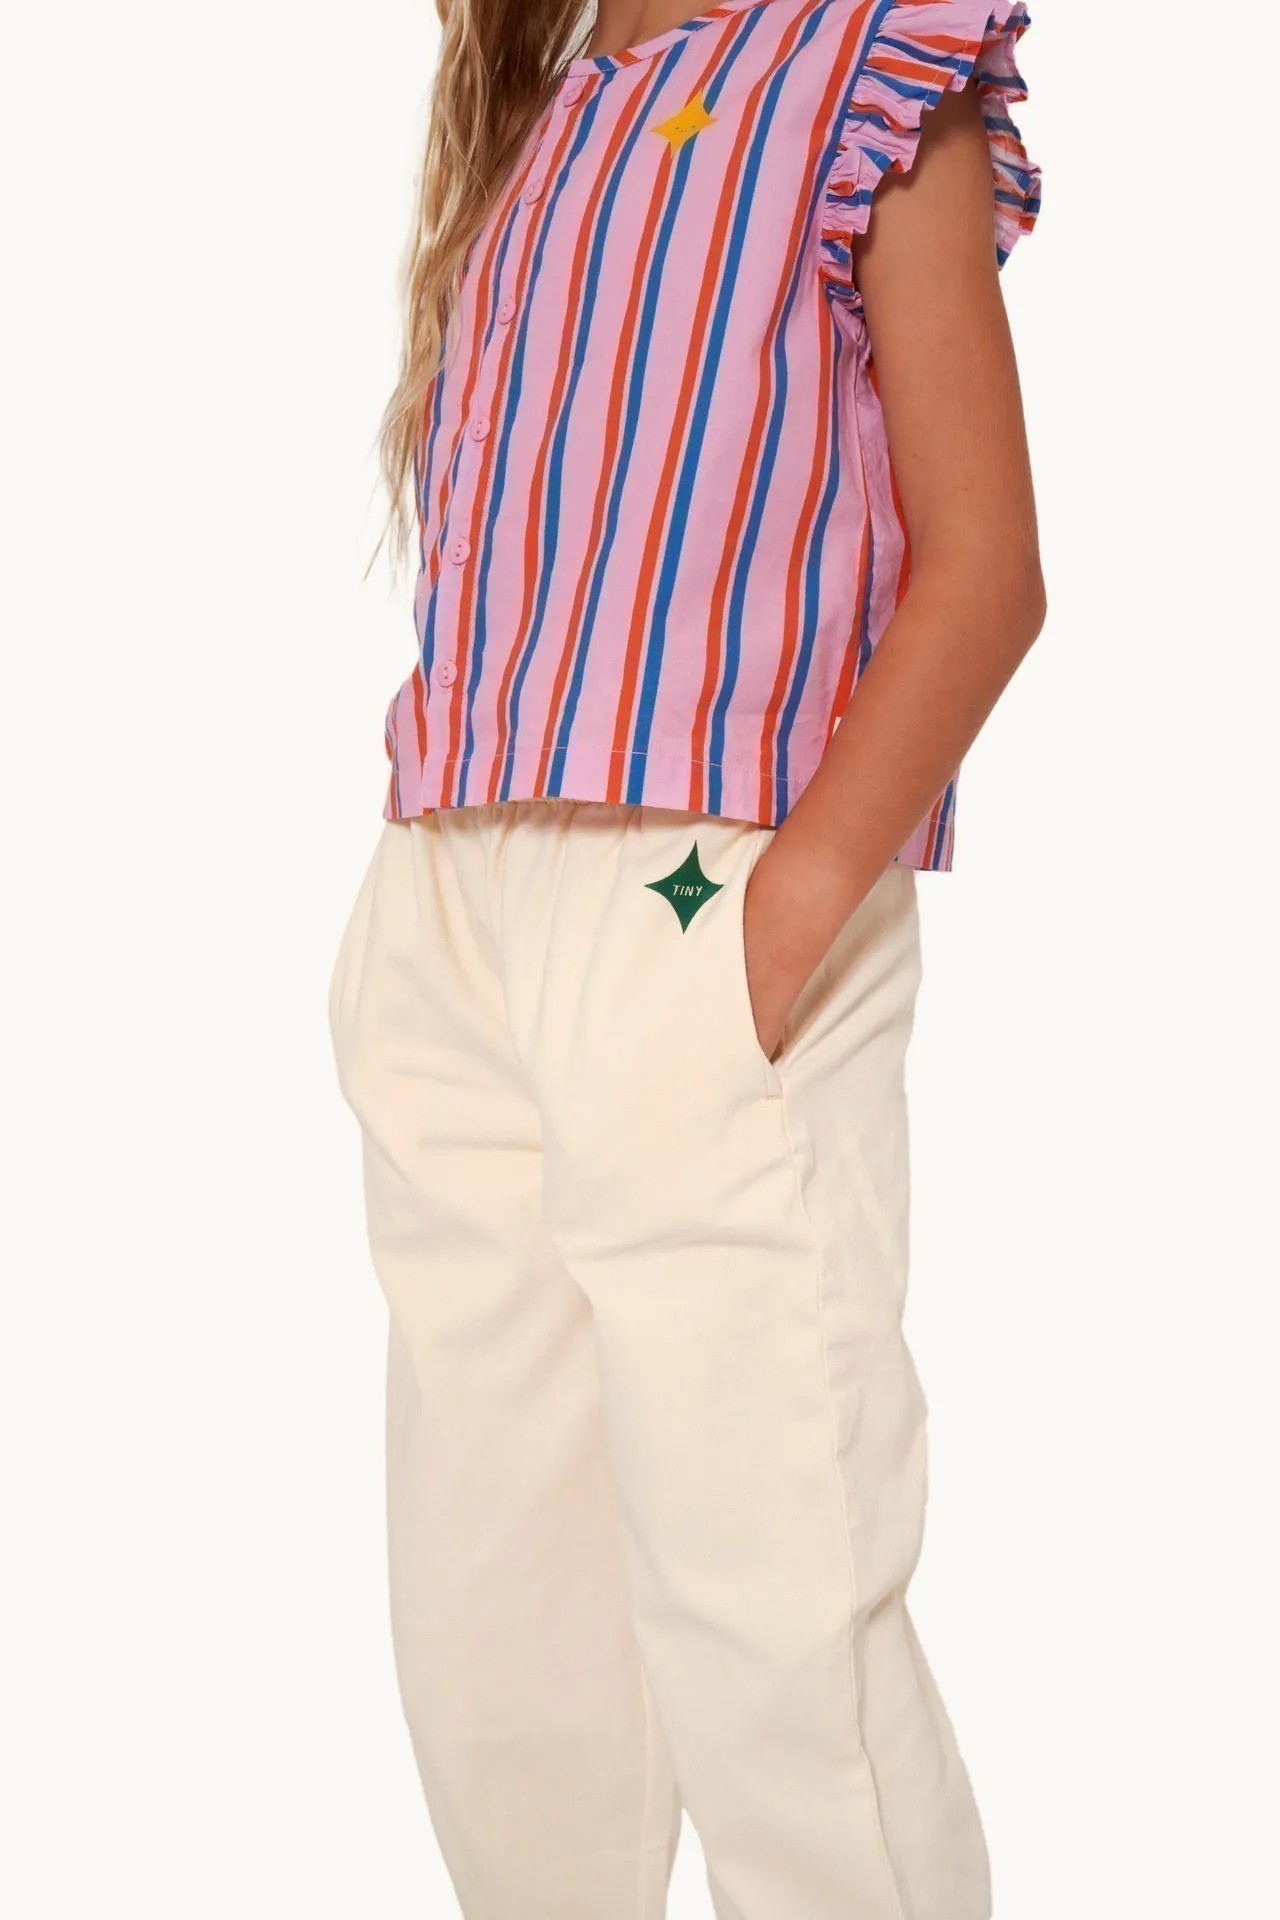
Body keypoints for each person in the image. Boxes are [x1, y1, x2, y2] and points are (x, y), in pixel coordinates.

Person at [330, 2, 1042, 1914]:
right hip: (457, 899)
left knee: (774, 1584)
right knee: (496, 1593)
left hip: (701, 897)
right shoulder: (546, 111)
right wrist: (414, 916)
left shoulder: (864, 69)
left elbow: (988, 565)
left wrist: (785, 907)